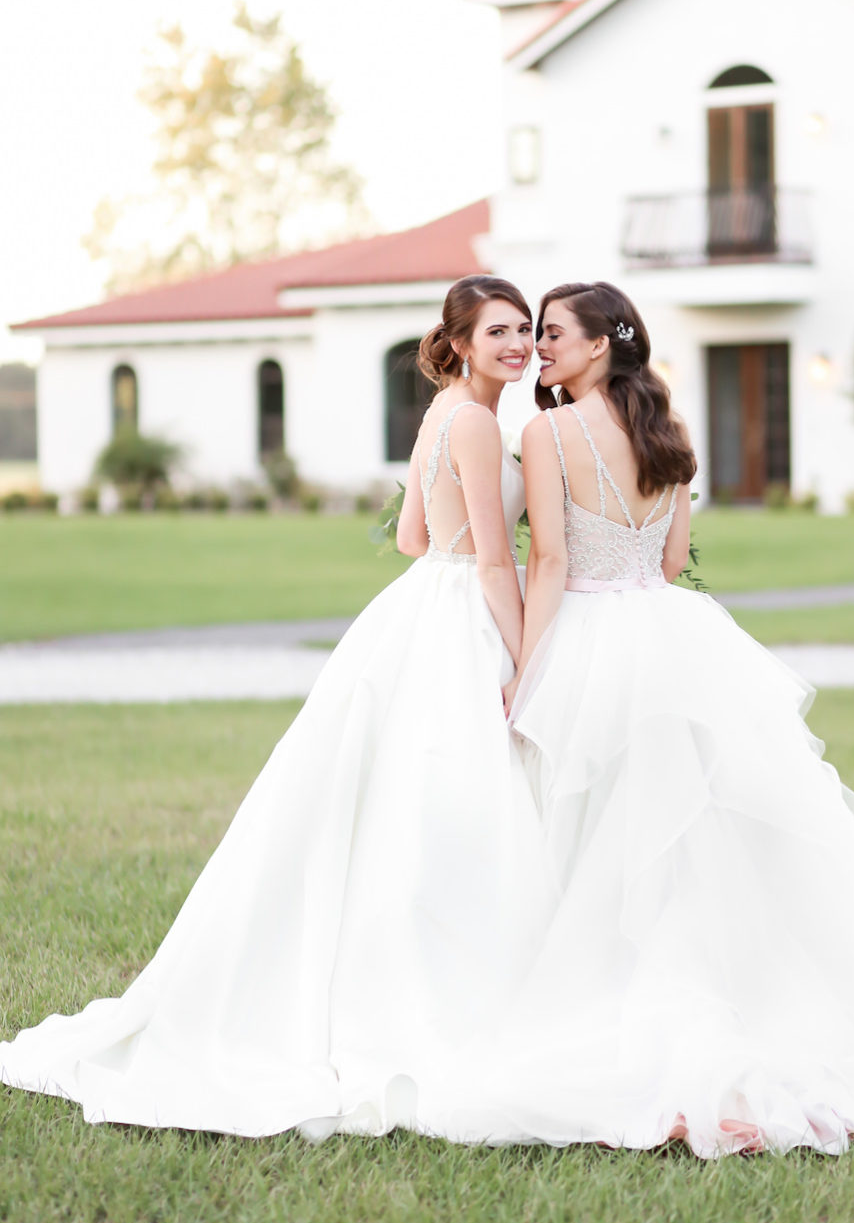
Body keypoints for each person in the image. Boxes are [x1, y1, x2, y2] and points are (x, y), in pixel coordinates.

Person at [0, 274, 551, 1141]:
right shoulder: (480, 422)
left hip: (413, 609)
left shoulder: (442, 411)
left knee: (393, 802)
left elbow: (412, 537)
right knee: (457, 797)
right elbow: (490, 561)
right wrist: (528, 659)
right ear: (460, 343)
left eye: (524, 329)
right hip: (461, 621)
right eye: (498, 333)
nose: (517, 345)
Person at [497, 280, 854, 1159]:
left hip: (591, 632)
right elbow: (669, 561)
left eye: (554, 335)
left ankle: (621, 991)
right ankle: (740, 984)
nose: (541, 348)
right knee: (697, 828)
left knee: (604, 827)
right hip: (671, 632)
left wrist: (526, 670)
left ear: (599, 346)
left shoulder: (546, 433)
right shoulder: (669, 434)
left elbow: (548, 558)